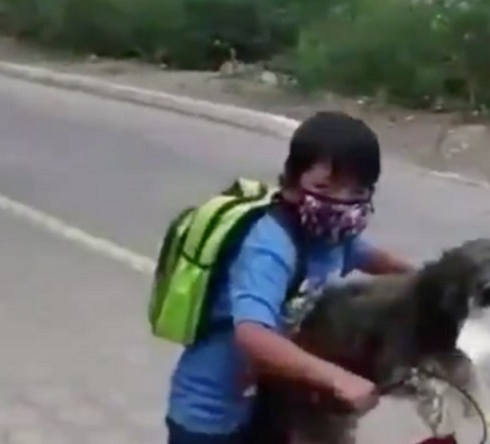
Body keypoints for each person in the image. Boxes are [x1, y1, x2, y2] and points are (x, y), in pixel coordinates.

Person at [166, 111, 415, 444]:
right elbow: (253, 335)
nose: (341, 201)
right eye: (325, 186)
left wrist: (443, 286)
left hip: (267, 401)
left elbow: (377, 260)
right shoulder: (270, 246)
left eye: (355, 189)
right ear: (293, 183)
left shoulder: (332, 238)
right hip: (209, 417)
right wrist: (338, 379)